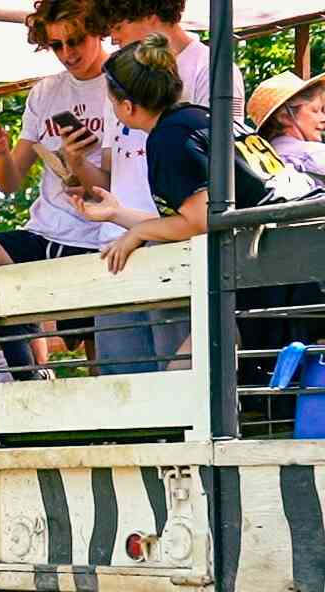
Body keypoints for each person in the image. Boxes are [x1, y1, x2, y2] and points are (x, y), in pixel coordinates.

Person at [72, 34, 320, 382]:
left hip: (285, 258)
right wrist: (117, 213)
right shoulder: (198, 118)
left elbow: (200, 220)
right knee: (198, 367)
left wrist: (140, 232)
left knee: (191, 379)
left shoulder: (169, 138)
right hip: (297, 242)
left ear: (126, 106)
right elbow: (196, 216)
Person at [0, 0, 115, 284]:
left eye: (75, 41)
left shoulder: (122, 84)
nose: (68, 54)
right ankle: (3, 329)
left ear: (98, 30)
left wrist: (80, 170)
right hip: (43, 232)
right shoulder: (46, 90)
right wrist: (1, 153)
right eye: (56, 45)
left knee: (67, 326)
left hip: (100, 238)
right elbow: (9, 184)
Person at [249, 70, 325, 179]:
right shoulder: (313, 154)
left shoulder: (260, 160)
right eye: (316, 110)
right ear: (284, 117)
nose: (323, 118)